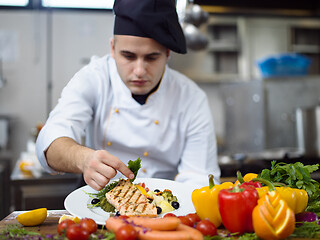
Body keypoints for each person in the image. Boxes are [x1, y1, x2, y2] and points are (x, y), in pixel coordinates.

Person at [36, 0, 220, 191]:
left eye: (151, 57)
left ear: (167, 53)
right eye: (129, 56)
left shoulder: (191, 97)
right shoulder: (95, 78)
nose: (139, 71)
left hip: (164, 205)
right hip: (99, 202)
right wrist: (83, 159)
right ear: (112, 48)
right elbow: (50, 140)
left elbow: (199, 179)